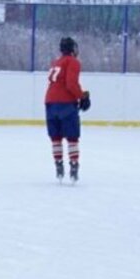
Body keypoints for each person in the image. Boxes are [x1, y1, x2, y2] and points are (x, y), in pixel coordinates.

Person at [44, 36, 91, 181]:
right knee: (72, 137)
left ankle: (58, 166)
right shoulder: (73, 62)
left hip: (50, 102)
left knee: (56, 137)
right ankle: (74, 166)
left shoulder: (55, 62)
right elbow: (71, 84)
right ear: (72, 49)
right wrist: (82, 96)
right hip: (65, 103)